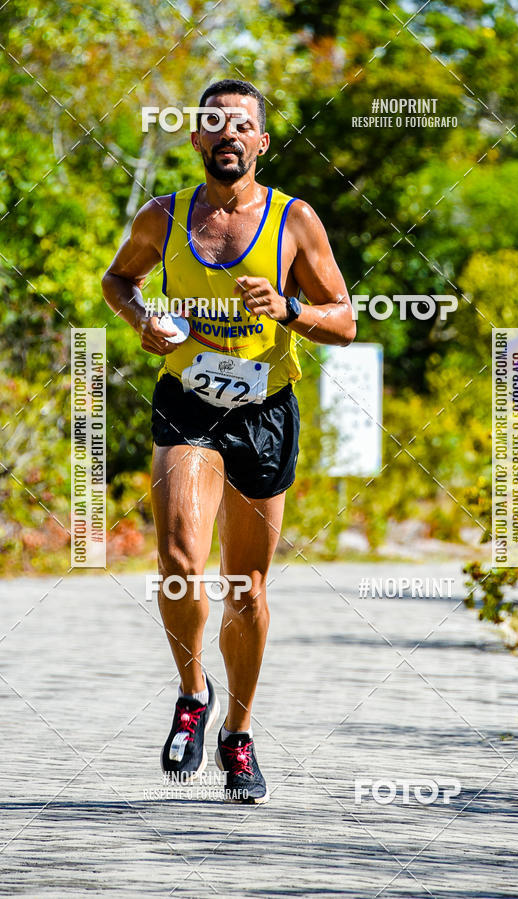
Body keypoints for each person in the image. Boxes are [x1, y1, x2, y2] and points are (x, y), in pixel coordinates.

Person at [101, 79, 355, 804]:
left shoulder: (294, 221)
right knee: (180, 558)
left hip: (265, 410)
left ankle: (237, 736)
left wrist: (291, 307)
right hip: (187, 403)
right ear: (196, 140)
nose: (228, 134)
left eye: (242, 124)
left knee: (247, 587)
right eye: (215, 123)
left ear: (262, 142)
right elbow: (119, 280)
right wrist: (141, 319)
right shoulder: (166, 216)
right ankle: (192, 690)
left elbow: (346, 318)